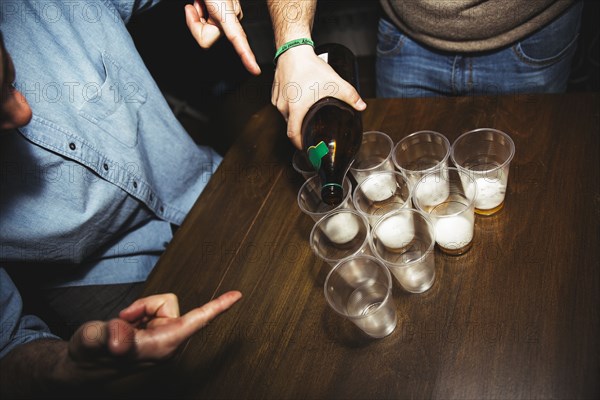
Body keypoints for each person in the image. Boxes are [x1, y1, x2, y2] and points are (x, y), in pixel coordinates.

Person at [1, 0, 258, 396]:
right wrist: (64, 368)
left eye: (8, 80)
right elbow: (9, 349)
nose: (21, 113)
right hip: (96, 278)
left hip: (198, 185)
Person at [267, 0, 583, 149]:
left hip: (535, 32)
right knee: (407, 166)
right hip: (406, 36)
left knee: (530, 175)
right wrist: (292, 40)